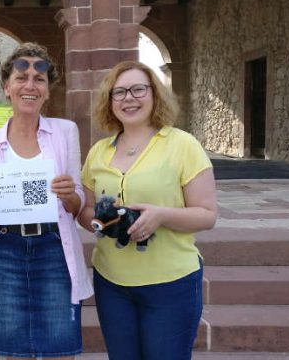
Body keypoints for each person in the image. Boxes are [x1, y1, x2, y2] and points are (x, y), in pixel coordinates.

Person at [0, 42, 93, 359]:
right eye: (21, 78)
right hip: (5, 250)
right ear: (7, 87)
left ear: (48, 90)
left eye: (39, 79)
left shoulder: (65, 132)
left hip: (53, 247)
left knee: (60, 347)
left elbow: (76, 206)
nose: (30, 85)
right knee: (12, 350)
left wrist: (70, 194)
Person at [77, 61, 218, 360]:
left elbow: (207, 214)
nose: (129, 98)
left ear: (155, 94)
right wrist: (102, 221)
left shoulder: (182, 145)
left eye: (138, 89)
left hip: (170, 284)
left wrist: (161, 215)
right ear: (110, 101)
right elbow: (86, 211)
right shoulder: (99, 152)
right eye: (119, 92)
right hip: (112, 283)